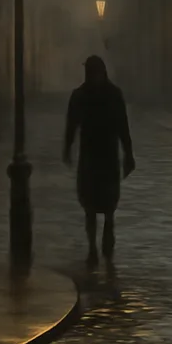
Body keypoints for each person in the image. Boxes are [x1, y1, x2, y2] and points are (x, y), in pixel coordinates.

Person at [63, 55, 135, 267]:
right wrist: (67, 148)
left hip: (108, 157)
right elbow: (71, 125)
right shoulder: (80, 96)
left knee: (109, 203)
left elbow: (123, 126)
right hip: (90, 157)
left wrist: (129, 154)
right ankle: (93, 248)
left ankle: (108, 234)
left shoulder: (113, 95)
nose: (93, 77)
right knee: (90, 206)